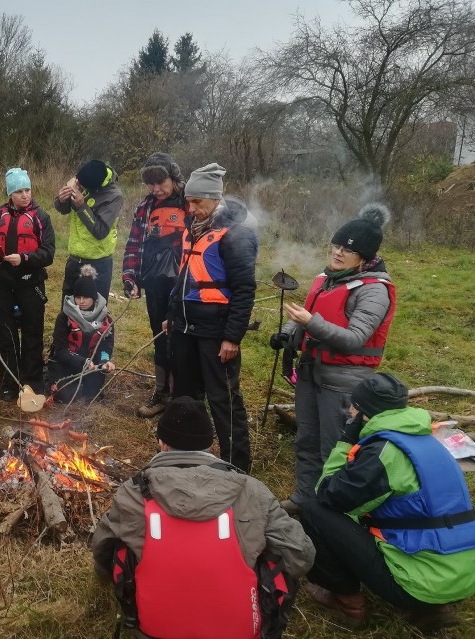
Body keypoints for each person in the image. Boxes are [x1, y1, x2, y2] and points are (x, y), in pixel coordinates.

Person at [92, 397, 315, 639]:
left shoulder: (133, 493)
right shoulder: (251, 490)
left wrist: (107, 576)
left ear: (162, 443)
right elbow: (301, 556)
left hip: (154, 631)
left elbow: (102, 550)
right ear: (209, 445)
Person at [300, 373, 475, 633]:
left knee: (314, 510)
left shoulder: (382, 454)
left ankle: (348, 601)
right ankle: (438, 604)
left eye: (352, 406)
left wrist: (345, 442)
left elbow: (327, 493)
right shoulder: (429, 442)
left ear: (362, 413)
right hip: (465, 576)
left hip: (420, 585)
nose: (349, 410)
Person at [270, 204, 395, 515]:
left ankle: (331, 513)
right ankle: (304, 499)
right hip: (312, 371)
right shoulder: (328, 277)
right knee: (306, 440)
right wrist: (288, 333)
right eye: (336, 246)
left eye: (346, 250)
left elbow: (354, 339)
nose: (338, 253)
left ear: (364, 257)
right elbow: (310, 314)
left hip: (344, 381)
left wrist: (309, 322)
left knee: (335, 450)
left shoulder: (374, 291)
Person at [167, 164, 257, 472]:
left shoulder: (235, 236)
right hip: (185, 327)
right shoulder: (193, 230)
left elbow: (245, 290)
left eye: (197, 202)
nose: (191, 209)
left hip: (215, 331)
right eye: (188, 201)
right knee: (186, 397)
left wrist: (232, 337)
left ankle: (237, 467)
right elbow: (183, 278)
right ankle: (186, 459)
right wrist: (172, 316)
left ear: (214, 199)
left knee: (224, 401)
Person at [0, 168, 55, 401]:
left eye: (27, 190)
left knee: (33, 333)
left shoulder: (40, 217)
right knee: (6, 334)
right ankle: (8, 384)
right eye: (19, 191)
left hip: (30, 283)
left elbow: (49, 253)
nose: (25, 195)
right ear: (10, 193)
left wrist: (24, 258)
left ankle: (32, 382)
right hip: (2, 283)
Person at [122, 153, 186, 418]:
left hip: (185, 285)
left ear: (173, 178)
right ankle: (162, 394)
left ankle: (184, 398)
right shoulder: (144, 207)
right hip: (155, 284)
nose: (157, 189)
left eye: (161, 182)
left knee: (182, 340)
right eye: (151, 184)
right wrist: (129, 277)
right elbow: (135, 243)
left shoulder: (189, 203)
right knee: (160, 337)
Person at [53, 159, 123, 300]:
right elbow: (63, 209)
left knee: (93, 313)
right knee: (68, 309)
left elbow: (100, 231)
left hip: (98, 263)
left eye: (84, 187)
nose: (80, 187)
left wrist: (81, 205)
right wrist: (61, 199)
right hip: (74, 258)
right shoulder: (84, 176)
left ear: (95, 187)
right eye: (79, 182)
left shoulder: (114, 196)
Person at [47, 265, 116, 403]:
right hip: (66, 365)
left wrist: (104, 362)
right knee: (66, 397)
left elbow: (106, 347)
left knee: (91, 397)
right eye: (78, 297)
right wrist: (82, 362)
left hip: (92, 367)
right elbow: (60, 351)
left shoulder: (106, 320)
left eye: (86, 297)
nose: (82, 301)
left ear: (94, 298)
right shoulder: (64, 317)